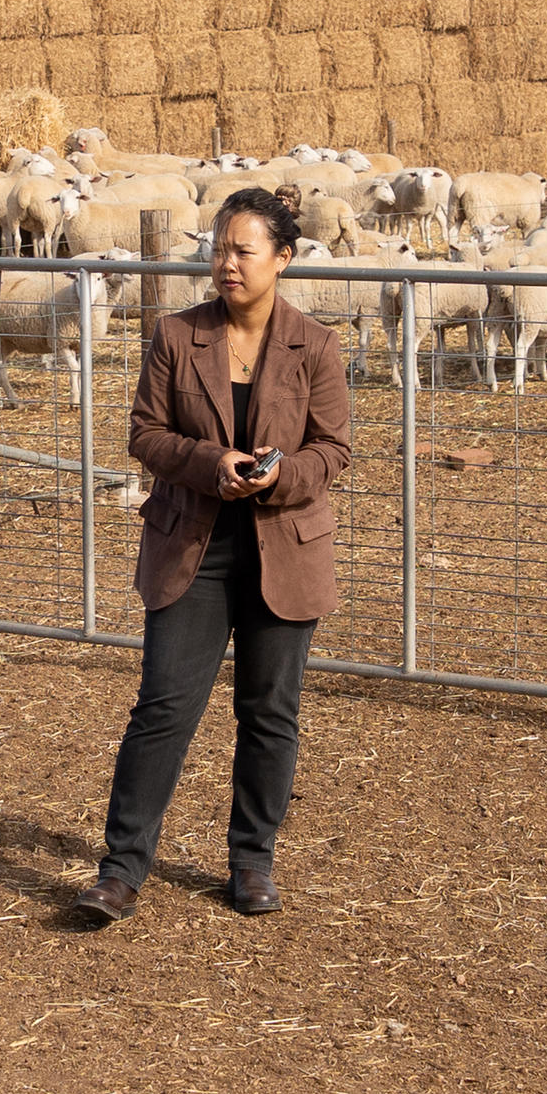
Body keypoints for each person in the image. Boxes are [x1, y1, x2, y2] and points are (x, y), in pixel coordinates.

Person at [77, 185, 349, 924]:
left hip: (283, 547)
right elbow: (144, 434)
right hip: (193, 542)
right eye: (218, 249)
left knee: (269, 713)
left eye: (242, 250)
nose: (226, 263)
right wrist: (207, 461)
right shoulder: (176, 335)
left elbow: (334, 449)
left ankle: (251, 862)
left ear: (282, 259)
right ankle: (121, 867)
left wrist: (281, 471)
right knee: (164, 706)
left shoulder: (316, 345)